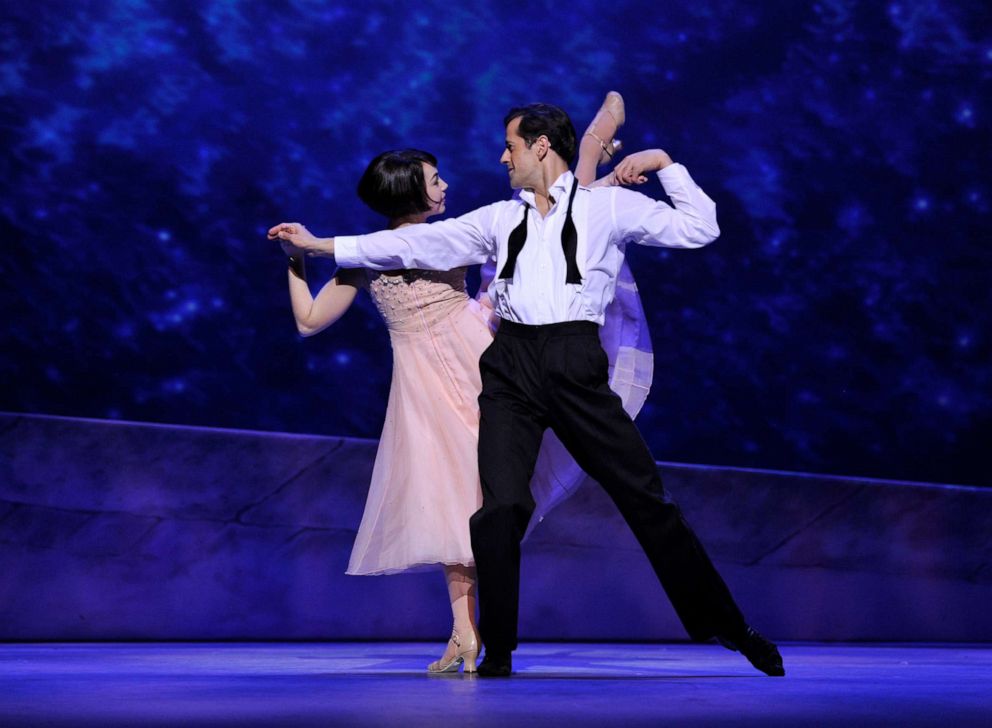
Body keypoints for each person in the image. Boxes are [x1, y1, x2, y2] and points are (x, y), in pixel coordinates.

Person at [270, 100, 785, 679]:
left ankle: (730, 626)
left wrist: (664, 162)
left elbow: (701, 227)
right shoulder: (497, 219)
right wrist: (319, 247)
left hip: (573, 364)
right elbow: (411, 245)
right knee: (500, 508)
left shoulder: (607, 208)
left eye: (510, 145)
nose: (500, 156)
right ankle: (499, 650)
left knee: (647, 500)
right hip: (509, 366)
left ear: (541, 146)